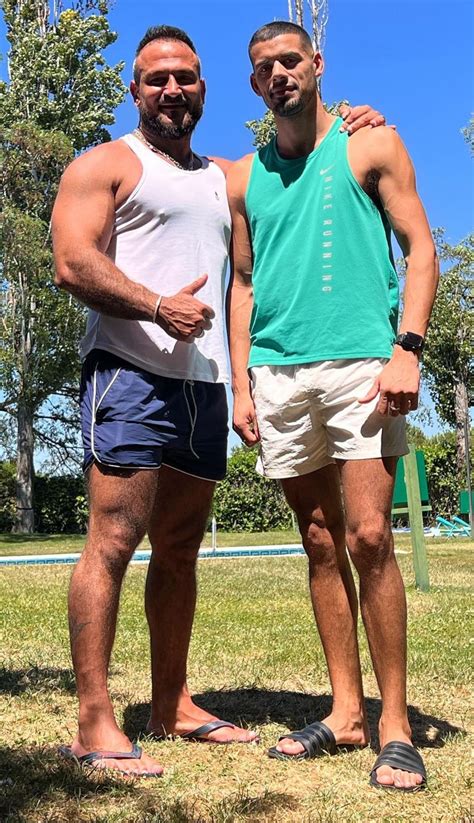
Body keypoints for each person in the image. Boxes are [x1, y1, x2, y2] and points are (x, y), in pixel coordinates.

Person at [52, 23, 387, 777]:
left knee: (179, 548)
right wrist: (154, 304)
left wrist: (354, 118)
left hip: (203, 386)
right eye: (157, 78)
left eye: (186, 77)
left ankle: (171, 701)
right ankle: (95, 720)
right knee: (113, 540)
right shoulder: (107, 164)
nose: (172, 89)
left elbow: (304, 151)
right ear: (135, 90)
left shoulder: (226, 175)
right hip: (130, 374)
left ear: (204, 87)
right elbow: (72, 261)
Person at [227, 21, 438, 792]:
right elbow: (243, 283)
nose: (279, 74)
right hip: (279, 376)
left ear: (317, 64)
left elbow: (421, 249)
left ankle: (395, 725)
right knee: (319, 541)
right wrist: (243, 383)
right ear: (255, 84)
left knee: (370, 536)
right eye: (264, 68)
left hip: (362, 366)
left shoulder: (369, 142)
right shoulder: (243, 178)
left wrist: (407, 349)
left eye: (290, 60)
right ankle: (346, 712)